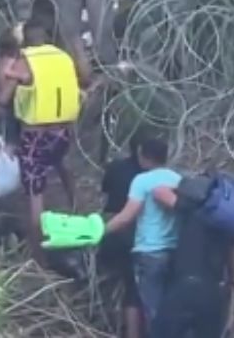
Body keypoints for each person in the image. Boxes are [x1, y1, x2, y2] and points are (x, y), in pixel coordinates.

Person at [0, 19, 80, 265]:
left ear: (25, 40)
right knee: (66, 171)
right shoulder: (63, 57)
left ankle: (39, 257)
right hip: (62, 132)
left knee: (35, 195)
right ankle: (79, 216)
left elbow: (6, 98)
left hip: (34, 136)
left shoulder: (25, 60)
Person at [149, 173, 234, 338]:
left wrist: (181, 187)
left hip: (184, 287)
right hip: (213, 292)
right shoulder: (228, 225)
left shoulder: (191, 208)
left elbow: (158, 191)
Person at [102, 137, 181, 333]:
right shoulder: (177, 179)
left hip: (149, 251)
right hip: (174, 251)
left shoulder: (142, 181)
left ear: (143, 156)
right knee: (166, 305)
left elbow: (126, 217)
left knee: (151, 309)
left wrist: (99, 231)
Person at [97, 137, 146, 338]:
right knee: (134, 289)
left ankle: (107, 323)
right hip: (134, 236)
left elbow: (105, 192)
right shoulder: (151, 178)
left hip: (111, 235)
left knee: (110, 282)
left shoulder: (116, 167)